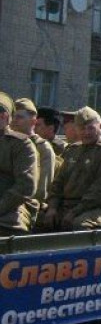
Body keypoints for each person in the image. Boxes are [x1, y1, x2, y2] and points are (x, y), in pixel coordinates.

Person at [43, 107, 101, 231]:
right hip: (66, 206)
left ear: (100, 127)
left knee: (79, 226)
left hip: (94, 208)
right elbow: (58, 183)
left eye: (91, 128)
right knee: (37, 220)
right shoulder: (72, 150)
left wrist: (75, 212)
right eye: (82, 128)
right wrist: (52, 207)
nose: (86, 132)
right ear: (77, 129)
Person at [0, 91, 38, 236]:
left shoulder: (21, 145)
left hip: (13, 207)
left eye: (3, 114)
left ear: (6, 117)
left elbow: (25, 187)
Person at [11, 98, 55, 215]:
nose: (14, 120)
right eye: (13, 116)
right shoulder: (9, 143)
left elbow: (41, 190)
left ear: (33, 121)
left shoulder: (43, 148)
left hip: (28, 205)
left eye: (19, 117)